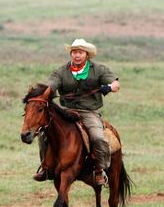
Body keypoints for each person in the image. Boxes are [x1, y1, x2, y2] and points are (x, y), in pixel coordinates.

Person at [33, 38, 120, 186]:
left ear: (87, 54)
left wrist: (110, 87)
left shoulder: (98, 69)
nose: (77, 55)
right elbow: (51, 85)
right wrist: (43, 94)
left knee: (98, 137)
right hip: (66, 111)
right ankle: (46, 168)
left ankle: (99, 170)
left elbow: (116, 83)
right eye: (74, 52)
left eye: (80, 52)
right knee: (43, 133)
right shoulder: (61, 71)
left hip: (89, 112)